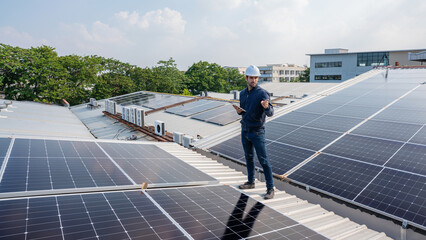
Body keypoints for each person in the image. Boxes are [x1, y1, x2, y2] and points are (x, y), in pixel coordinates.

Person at [233, 65, 275, 199]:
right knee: (248, 157)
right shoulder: (242, 93)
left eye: (256, 78)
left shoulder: (262, 93)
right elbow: (245, 111)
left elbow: (270, 113)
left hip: (257, 132)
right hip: (245, 130)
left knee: (264, 160)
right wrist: (240, 112)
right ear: (246, 78)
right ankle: (251, 182)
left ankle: (270, 188)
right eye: (251, 78)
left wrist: (266, 107)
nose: (254, 80)